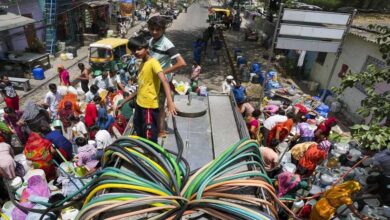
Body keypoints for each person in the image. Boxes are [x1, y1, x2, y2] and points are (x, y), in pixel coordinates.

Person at [117, 35, 176, 143]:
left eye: (139, 49)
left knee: (150, 136)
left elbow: (164, 81)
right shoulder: (142, 64)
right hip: (139, 105)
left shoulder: (153, 63)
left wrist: (170, 103)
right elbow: (140, 89)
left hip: (149, 107)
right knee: (138, 128)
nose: (136, 52)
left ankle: (151, 155)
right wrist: (124, 102)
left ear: (147, 48)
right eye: (133, 50)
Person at [147, 16, 186, 137]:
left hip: (161, 81)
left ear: (163, 29)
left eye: (157, 29)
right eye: (152, 29)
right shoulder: (151, 40)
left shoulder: (167, 44)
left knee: (159, 106)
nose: (154, 32)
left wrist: (163, 72)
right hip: (152, 79)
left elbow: (181, 63)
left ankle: (160, 130)